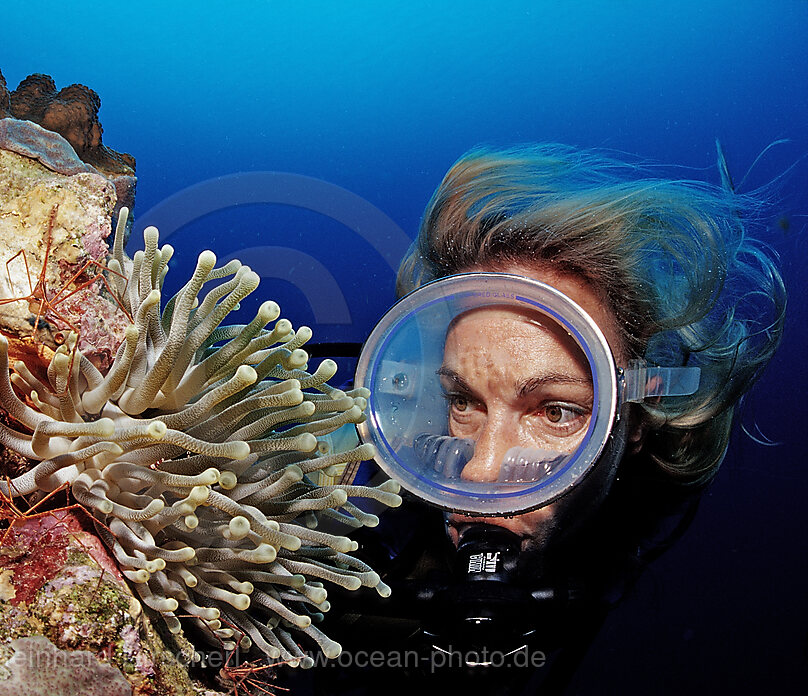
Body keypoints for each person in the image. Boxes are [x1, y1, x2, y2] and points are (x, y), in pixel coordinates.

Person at [314, 144, 786, 694]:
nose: (481, 474)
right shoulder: (326, 501)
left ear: (634, 422)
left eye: (556, 411)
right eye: (463, 402)